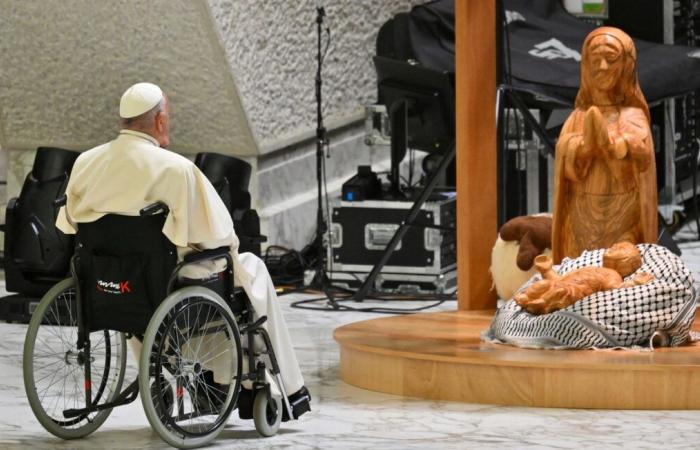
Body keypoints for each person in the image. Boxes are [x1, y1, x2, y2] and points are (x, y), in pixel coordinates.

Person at [56, 82, 310, 419]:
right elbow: (218, 237)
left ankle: (196, 380)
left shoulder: (87, 162)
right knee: (248, 270)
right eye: (168, 119)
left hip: (109, 285)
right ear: (160, 122)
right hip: (164, 284)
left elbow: (67, 222)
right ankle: (280, 389)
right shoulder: (175, 169)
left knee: (142, 285)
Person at [552, 27, 657, 263]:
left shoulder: (632, 114)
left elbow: (643, 156)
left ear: (627, 65)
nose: (602, 68)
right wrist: (583, 148)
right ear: (585, 65)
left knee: (621, 266)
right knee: (580, 268)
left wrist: (616, 147)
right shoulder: (578, 116)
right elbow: (563, 154)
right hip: (582, 211)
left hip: (623, 212)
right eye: (595, 60)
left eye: (611, 59)